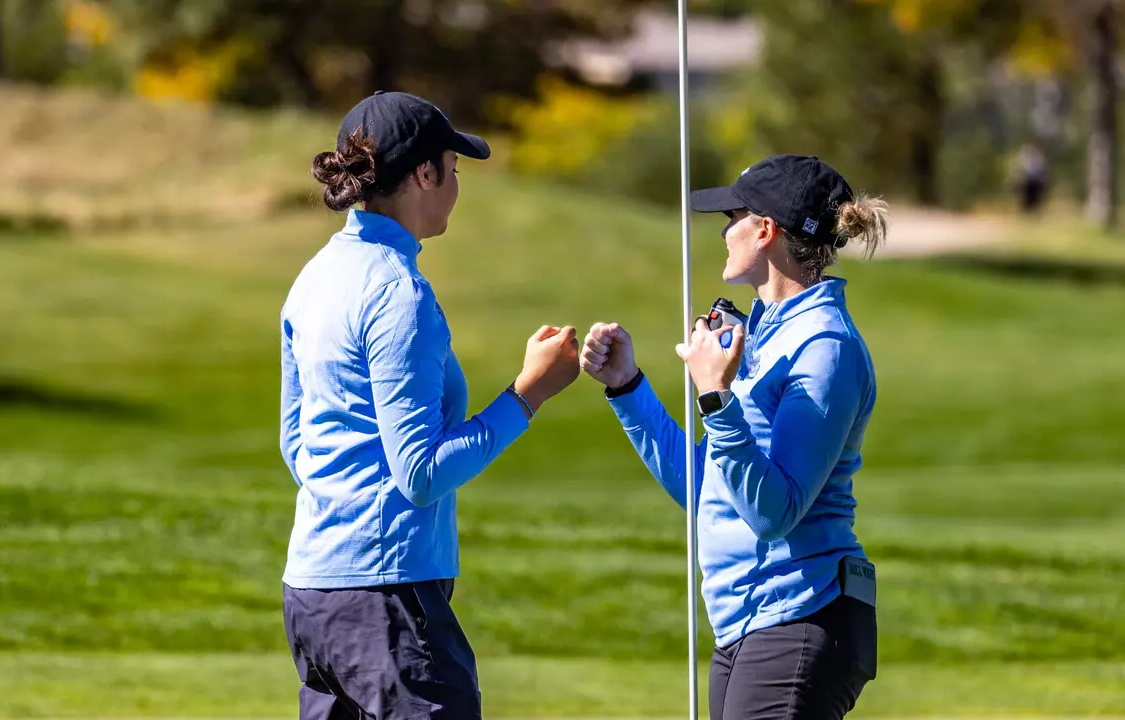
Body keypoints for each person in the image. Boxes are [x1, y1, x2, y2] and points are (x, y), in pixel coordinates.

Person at [279, 91, 580, 719]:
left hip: (312, 592)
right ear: (424, 174)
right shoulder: (397, 292)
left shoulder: (313, 277)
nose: (457, 184)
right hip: (386, 598)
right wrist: (531, 392)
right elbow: (419, 473)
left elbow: (295, 444)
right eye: (454, 168)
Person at [581, 155, 887, 720]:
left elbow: (775, 513)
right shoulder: (764, 336)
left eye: (732, 217)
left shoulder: (825, 347)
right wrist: (627, 387)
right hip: (750, 624)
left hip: (802, 615)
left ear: (765, 230)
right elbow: (707, 490)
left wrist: (716, 397)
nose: (724, 231)